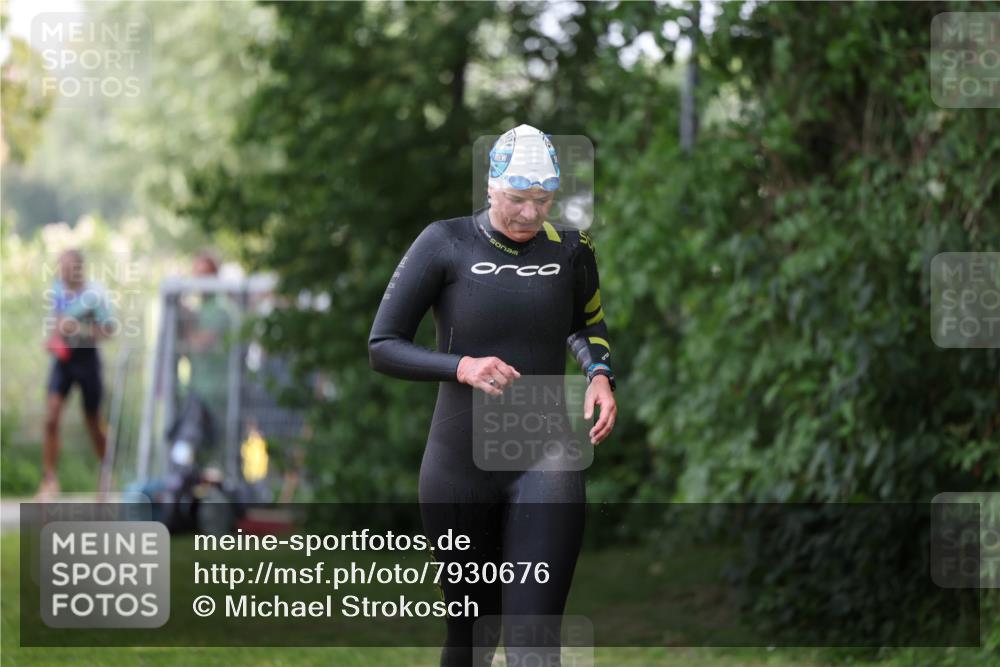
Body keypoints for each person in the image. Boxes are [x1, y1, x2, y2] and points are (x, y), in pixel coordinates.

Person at [369, 124, 617, 666]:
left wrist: (599, 375)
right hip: (459, 464)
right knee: (473, 640)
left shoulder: (573, 249)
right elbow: (383, 346)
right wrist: (461, 366)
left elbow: (587, 326)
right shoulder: (446, 243)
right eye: (516, 199)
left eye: (543, 200)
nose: (530, 214)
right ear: (490, 187)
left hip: (545, 452)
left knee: (534, 642)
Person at [38, 249, 115, 498]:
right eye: (60, 268)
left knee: (93, 422)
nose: (62, 272)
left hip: (87, 360)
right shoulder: (58, 290)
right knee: (51, 416)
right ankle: (49, 480)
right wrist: (54, 338)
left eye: (67, 268)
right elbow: (58, 322)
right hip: (64, 361)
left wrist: (79, 330)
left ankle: (106, 474)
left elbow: (108, 330)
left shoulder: (96, 294)